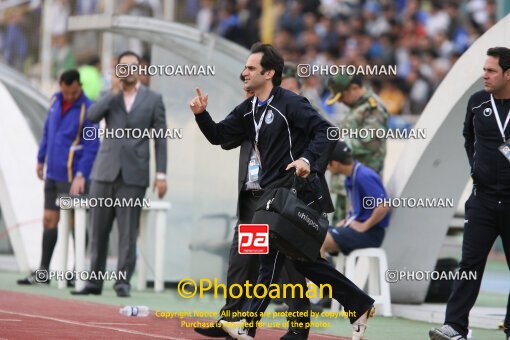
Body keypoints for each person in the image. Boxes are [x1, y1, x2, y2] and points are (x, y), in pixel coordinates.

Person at [190, 42, 375, 340]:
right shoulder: (248, 108)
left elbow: (328, 132)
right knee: (293, 262)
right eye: (245, 67)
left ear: (269, 72)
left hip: (297, 195)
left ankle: (252, 325)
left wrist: (306, 161)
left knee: (283, 262)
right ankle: (358, 305)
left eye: (251, 68)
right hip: (265, 199)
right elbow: (219, 136)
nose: (244, 73)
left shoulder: (290, 102)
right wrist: (202, 115)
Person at [194, 67, 312, 340]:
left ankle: (298, 328)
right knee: (243, 262)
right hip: (253, 199)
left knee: (289, 266)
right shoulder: (252, 113)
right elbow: (223, 140)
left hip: (284, 199)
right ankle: (231, 320)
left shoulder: (300, 117)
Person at [71, 51, 168, 297]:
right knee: (98, 230)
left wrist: (161, 174)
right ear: (117, 70)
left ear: (139, 70)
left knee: (127, 232)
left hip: (134, 174)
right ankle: (94, 281)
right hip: (104, 172)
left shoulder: (154, 99)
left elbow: (160, 139)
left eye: (132, 67)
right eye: (123, 67)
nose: (128, 71)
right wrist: (113, 92)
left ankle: (122, 282)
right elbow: (91, 118)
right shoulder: (108, 96)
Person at [429, 47, 510, 340]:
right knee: (468, 265)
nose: (484, 75)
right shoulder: (477, 102)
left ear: (508, 74)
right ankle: (455, 327)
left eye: (491, 71)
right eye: (484, 69)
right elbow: (468, 138)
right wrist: (478, 169)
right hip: (483, 200)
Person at [18, 69, 99, 285]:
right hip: (53, 173)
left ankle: (76, 271)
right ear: (60, 86)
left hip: (73, 176)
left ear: (79, 86)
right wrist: (41, 158)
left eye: (73, 93)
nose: (70, 97)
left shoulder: (89, 109)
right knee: (49, 220)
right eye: (66, 92)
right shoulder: (55, 101)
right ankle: (43, 272)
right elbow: (47, 132)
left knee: (75, 222)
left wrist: (82, 174)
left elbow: (92, 146)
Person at [326, 74, 389, 225]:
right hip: (348, 183)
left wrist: (336, 145)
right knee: (337, 230)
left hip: (362, 185)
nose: (340, 101)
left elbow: (370, 142)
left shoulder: (373, 107)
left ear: (354, 88)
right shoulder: (356, 107)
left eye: (342, 96)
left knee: (351, 231)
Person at [320, 141, 390, 258]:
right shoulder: (351, 177)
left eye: (327, 163)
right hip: (357, 230)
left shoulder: (363, 175)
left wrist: (365, 225)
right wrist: (347, 220)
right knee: (314, 232)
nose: (326, 167)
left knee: (320, 240)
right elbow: (358, 208)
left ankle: (322, 276)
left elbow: (383, 205)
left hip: (371, 234)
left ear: (336, 164)